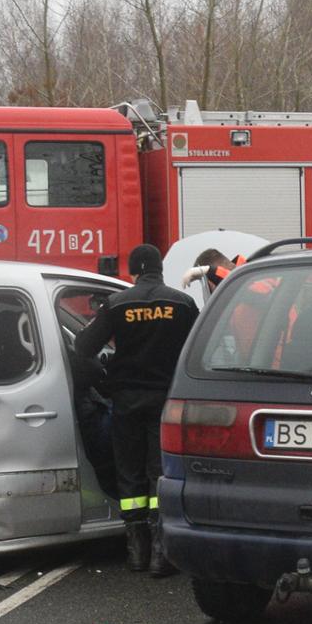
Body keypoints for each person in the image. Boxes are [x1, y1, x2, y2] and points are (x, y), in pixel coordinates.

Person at [74, 244, 199, 576]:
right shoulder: (182, 303)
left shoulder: (118, 304)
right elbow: (200, 347)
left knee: (129, 470)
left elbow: (83, 346)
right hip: (168, 400)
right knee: (161, 471)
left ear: (133, 272)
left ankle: (137, 551)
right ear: (160, 269)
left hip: (127, 400)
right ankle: (161, 553)